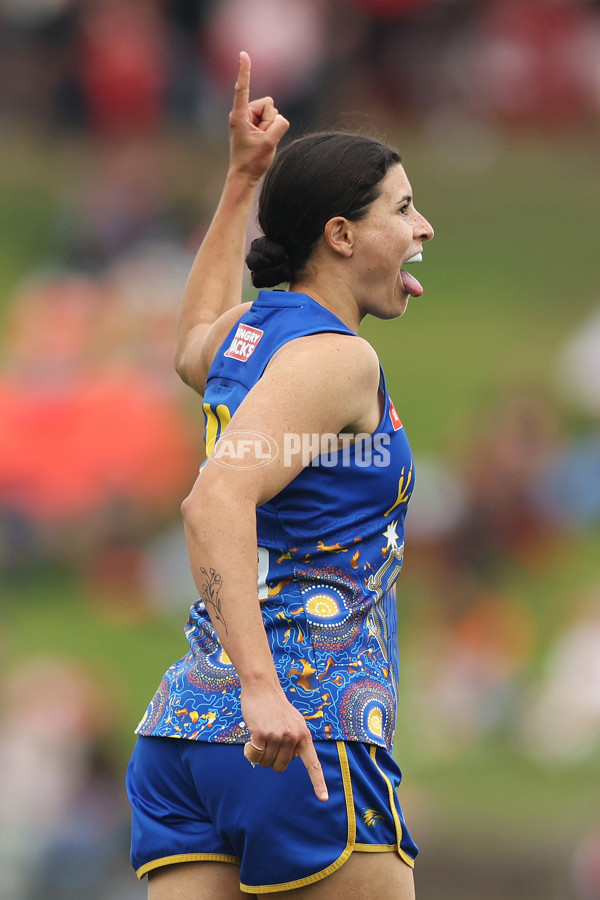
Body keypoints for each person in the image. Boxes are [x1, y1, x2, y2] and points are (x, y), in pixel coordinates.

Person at [126, 51, 434, 899]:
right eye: (404, 209)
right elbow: (215, 498)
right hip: (304, 733)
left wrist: (241, 180)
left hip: (185, 735)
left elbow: (191, 343)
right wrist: (265, 691)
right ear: (340, 234)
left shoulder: (251, 337)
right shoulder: (338, 359)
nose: (423, 228)